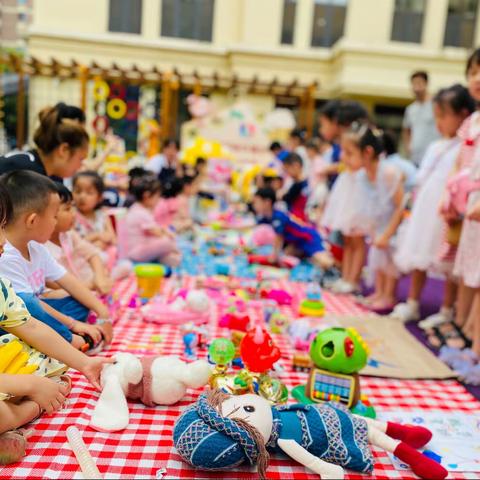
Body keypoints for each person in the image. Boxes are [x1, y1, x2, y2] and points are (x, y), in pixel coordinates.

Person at [0, 171, 113, 349]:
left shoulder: (36, 248)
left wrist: (103, 312)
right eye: (54, 216)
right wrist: (72, 325)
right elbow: (29, 308)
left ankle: (59, 340)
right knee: (32, 307)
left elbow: (70, 282)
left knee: (77, 302)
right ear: (32, 221)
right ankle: (68, 341)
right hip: (18, 323)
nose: (55, 223)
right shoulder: (6, 256)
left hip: (39, 314)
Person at [392, 84, 475, 325]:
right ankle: (413, 302)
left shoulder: (464, 146)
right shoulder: (435, 146)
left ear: (461, 115)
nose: (438, 122)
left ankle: (447, 309)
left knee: (447, 256)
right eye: (436, 116)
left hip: (448, 208)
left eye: (443, 116)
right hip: (426, 207)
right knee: (420, 251)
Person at [430, 49, 480, 367]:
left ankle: (474, 348)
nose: (476, 78)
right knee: (467, 273)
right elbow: (461, 162)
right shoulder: (473, 121)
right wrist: (448, 195)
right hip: (470, 207)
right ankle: (465, 333)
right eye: (473, 71)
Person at [340, 123, 405, 310]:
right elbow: (368, 204)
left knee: (389, 258)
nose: (346, 158)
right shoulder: (364, 174)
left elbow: (401, 206)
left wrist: (388, 233)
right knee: (377, 258)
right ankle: (379, 292)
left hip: (396, 223)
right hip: (379, 222)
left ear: (367, 152)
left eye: (351, 153)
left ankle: (388, 295)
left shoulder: (389, 172)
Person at [46, 184, 113, 295]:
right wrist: (91, 285)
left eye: (73, 207)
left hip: (81, 280)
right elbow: (53, 284)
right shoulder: (41, 247)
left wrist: (99, 277)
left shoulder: (69, 234)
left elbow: (92, 254)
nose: (74, 214)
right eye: (67, 209)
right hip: (69, 290)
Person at [0, 104, 89, 181]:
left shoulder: (35, 164)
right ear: (64, 150)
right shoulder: (30, 174)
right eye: (80, 159)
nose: (80, 166)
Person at [252, 187, 333, 270]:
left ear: (267, 202)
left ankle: (338, 270)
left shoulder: (277, 217)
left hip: (308, 237)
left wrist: (274, 256)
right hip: (297, 242)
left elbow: (279, 238)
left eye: (256, 202)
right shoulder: (271, 215)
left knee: (324, 261)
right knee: (288, 255)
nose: (254, 205)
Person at [125, 175, 181, 266]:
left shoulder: (137, 208)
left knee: (166, 249)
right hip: (137, 252)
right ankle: (174, 252)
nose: (158, 200)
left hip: (137, 249)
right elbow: (157, 232)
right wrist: (167, 234)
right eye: (157, 197)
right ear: (146, 196)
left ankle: (167, 258)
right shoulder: (141, 213)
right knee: (167, 241)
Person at [319, 100, 369, 188]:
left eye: (323, 124)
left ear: (335, 122)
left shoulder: (358, 147)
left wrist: (334, 168)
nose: (321, 129)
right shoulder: (336, 146)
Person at [402, 71, 440, 166]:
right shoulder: (410, 109)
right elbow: (406, 130)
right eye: (414, 84)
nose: (416, 87)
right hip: (415, 159)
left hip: (433, 158)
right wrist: (408, 148)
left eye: (419, 83)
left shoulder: (436, 105)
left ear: (426, 84)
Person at [72, 171, 116, 252]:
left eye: (89, 193)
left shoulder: (102, 215)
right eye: (78, 191)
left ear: (99, 197)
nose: (82, 196)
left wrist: (102, 243)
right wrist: (97, 236)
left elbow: (113, 239)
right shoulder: (72, 216)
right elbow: (72, 243)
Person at [282, 153, 309, 222]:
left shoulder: (301, 184)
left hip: (298, 220)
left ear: (296, 166)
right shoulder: (298, 183)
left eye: (287, 169)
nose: (287, 172)